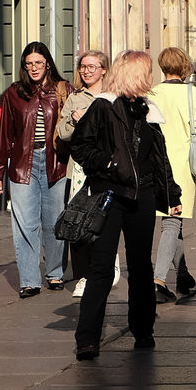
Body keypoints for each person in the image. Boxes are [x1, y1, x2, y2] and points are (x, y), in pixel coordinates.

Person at [68, 50, 182, 358]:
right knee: (101, 267)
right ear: (133, 74)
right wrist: (106, 163)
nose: (151, 78)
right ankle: (87, 339)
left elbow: (160, 158)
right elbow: (80, 145)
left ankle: (143, 329)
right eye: (146, 72)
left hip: (142, 196)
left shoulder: (148, 109)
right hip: (109, 195)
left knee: (141, 266)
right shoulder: (104, 107)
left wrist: (172, 195)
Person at [0, 42, 71, 298]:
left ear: (47, 62)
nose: (34, 68)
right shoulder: (14, 93)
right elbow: (5, 135)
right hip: (22, 164)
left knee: (53, 222)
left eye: (38, 62)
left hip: (55, 162)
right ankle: (29, 280)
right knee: (25, 224)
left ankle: (55, 273)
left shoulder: (63, 90)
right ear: (24, 66)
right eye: (29, 63)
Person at [149, 46, 196, 302]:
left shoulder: (151, 93)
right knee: (172, 221)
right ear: (185, 67)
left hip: (154, 163)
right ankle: (159, 279)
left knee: (174, 222)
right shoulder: (193, 94)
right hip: (180, 165)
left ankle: (182, 273)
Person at [59, 50, 115, 296]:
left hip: (107, 170)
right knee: (78, 220)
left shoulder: (113, 96)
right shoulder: (75, 98)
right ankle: (82, 275)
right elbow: (62, 133)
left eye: (92, 66)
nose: (86, 71)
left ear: (103, 69)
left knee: (103, 222)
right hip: (80, 170)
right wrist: (72, 119)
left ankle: (104, 268)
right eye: (83, 66)